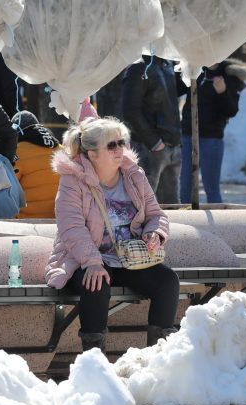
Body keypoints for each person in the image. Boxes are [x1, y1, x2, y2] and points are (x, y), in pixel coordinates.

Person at [47, 116, 179, 351]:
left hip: (129, 259)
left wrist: (154, 234)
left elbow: (156, 215)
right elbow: (71, 227)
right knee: (97, 283)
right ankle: (94, 358)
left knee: (167, 281)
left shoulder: (133, 175)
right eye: (111, 145)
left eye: (121, 142)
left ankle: (159, 356)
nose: (120, 149)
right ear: (92, 154)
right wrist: (92, 262)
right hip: (83, 259)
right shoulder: (72, 180)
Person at [177, 58, 246, 204]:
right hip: (187, 134)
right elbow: (176, 89)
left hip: (211, 138)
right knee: (185, 184)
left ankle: (216, 224)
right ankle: (187, 218)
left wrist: (222, 92)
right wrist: (181, 70)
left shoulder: (229, 75)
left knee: (211, 186)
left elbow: (231, 110)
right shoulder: (195, 69)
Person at [121, 56, 182, 203]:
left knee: (171, 206)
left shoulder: (168, 64)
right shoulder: (138, 67)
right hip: (149, 148)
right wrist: (154, 142)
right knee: (143, 206)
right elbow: (130, 110)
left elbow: (173, 95)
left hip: (171, 145)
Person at [11, 110, 62, 219]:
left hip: (26, 221)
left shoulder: (17, 151)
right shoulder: (62, 149)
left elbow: (8, 189)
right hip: (59, 218)